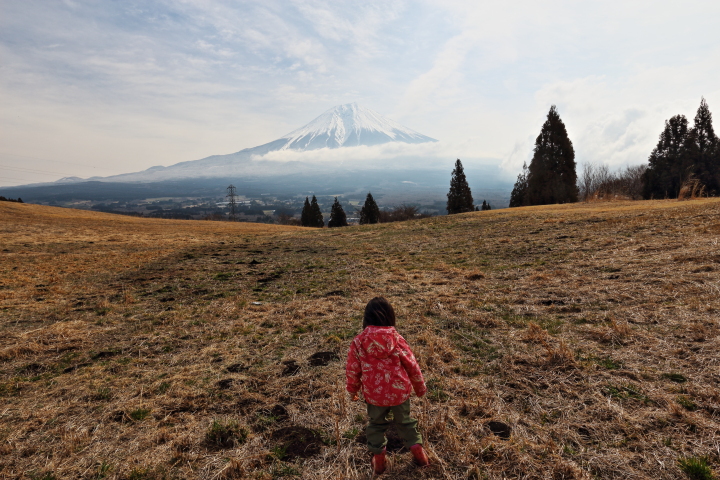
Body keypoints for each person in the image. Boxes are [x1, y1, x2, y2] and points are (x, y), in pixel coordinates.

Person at [345, 296, 430, 475]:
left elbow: (353, 369)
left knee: (375, 425)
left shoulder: (358, 341)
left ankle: (379, 460)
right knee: (406, 423)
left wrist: (353, 390)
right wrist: (420, 387)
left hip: (374, 395)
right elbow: (412, 365)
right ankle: (419, 454)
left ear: (366, 319)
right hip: (399, 393)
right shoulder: (397, 339)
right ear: (391, 317)